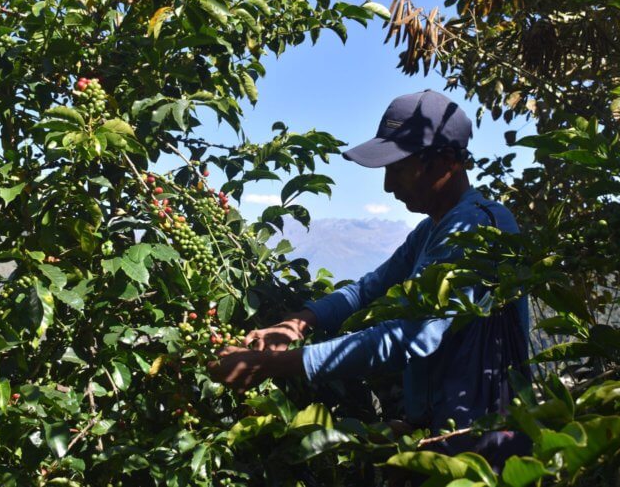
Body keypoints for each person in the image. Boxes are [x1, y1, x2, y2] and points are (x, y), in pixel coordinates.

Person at [208, 89, 531, 468]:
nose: (388, 186)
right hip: (444, 439)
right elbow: (368, 289)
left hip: (485, 449)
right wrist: (297, 323)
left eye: (397, 168)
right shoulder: (432, 231)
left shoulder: (477, 228)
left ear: (445, 162)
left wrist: (272, 365)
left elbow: (411, 337)